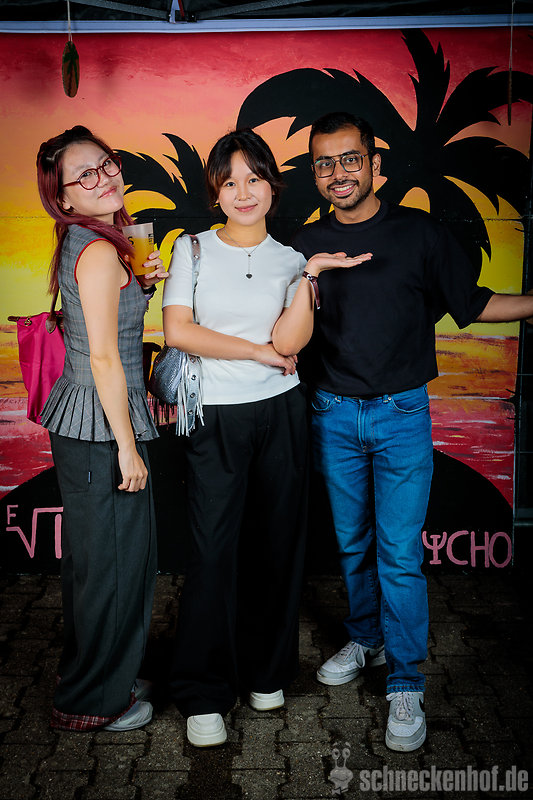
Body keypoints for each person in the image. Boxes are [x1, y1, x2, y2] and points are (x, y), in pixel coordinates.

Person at [277, 111, 533, 753]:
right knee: (352, 543)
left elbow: (472, 305)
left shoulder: (420, 233)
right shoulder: (303, 247)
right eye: (325, 163)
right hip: (331, 413)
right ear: (316, 174)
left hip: (401, 416)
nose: (338, 172)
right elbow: (281, 329)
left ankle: (406, 681)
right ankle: (366, 638)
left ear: (375, 165)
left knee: (397, 552)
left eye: (350, 159)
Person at [162, 128, 371, 747]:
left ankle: (266, 671)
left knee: (276, 545)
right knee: (212, 552)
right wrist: (254, 351)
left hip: (281, 411)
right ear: (216, 193)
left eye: (254, 179)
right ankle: (204, 692)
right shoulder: (192, 249)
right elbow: (179, 332)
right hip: (215, 415)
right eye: (230, 182)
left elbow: (290, 344)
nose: (243, 192)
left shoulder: (289, 257)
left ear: (272, 187)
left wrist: (308, 278)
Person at [36, 125, 167, 732]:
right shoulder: (95, 251)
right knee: (111, 563)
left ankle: (106, 672)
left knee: (100, 561)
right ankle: (91, 700)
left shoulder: (95, 241)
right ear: (63, 195)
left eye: (106, 163)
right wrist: (127, 450)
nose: (104, 178)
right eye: (84, 174)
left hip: (92, 418)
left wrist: (142, 284)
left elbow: (104, 329)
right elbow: (107, 358)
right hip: (101, 426)